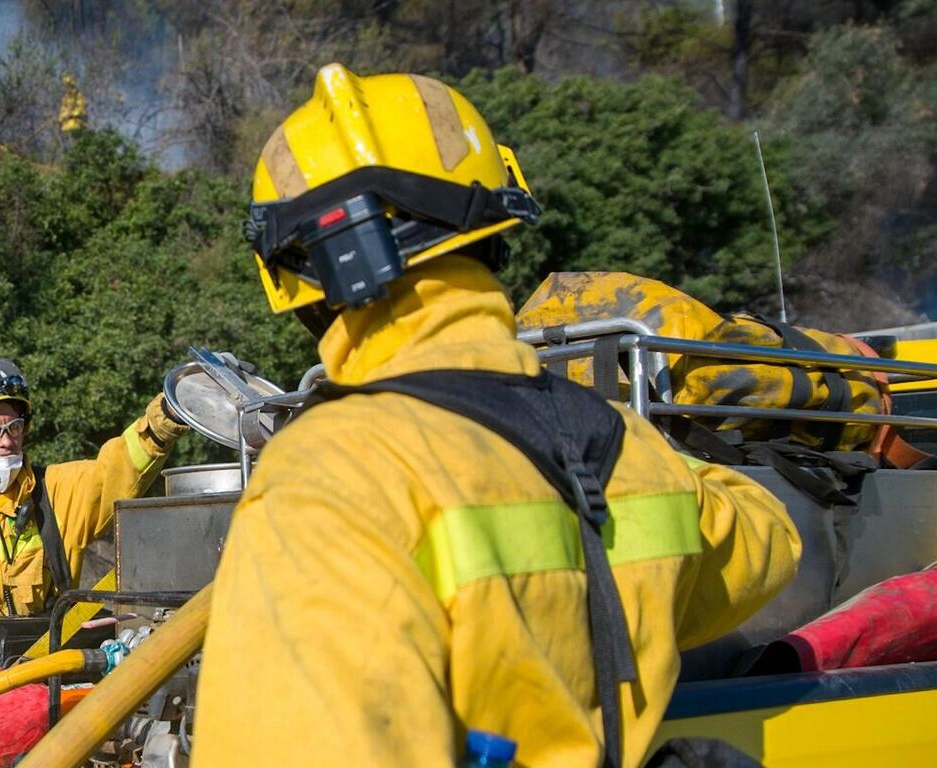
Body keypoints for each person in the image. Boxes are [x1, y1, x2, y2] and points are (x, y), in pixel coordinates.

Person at [194, 65, 801, 767]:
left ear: (296, 276)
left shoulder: (327, 478)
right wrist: (626, 438)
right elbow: (771, 541)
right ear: (495, 227)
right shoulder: (626, 447)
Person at [0, 358, 187, 621]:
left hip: (49, 671)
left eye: (14, 427)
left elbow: (120, 465)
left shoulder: (59, 492)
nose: (6, 441)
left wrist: (168, 414)